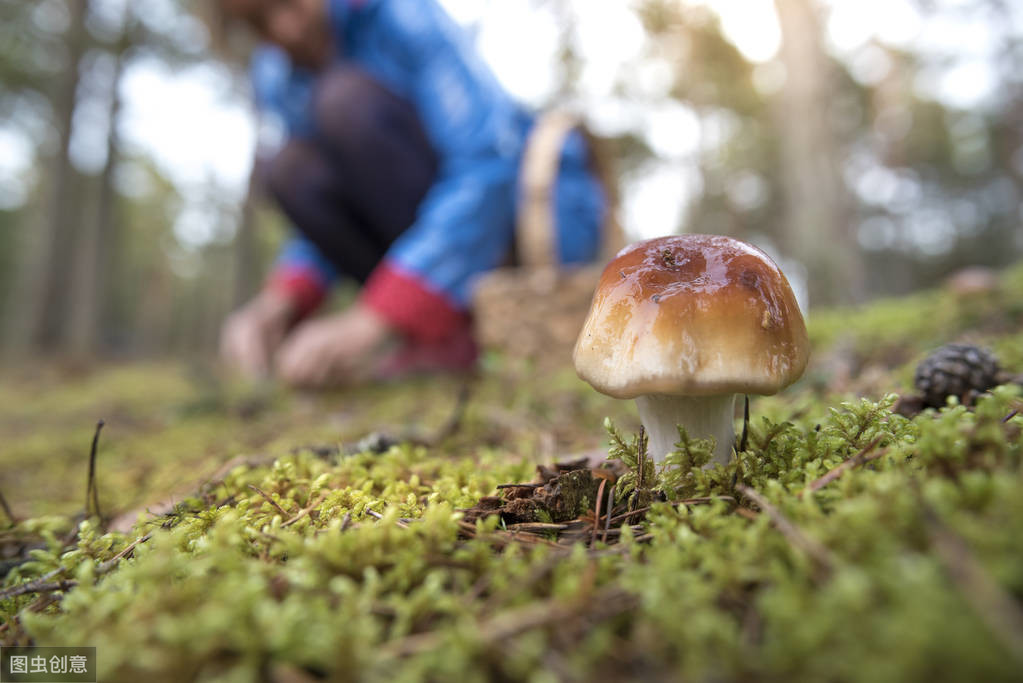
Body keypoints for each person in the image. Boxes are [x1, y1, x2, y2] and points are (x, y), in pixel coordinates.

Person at [218, 0, 607, 388]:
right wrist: (283, 297)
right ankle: (433, 331)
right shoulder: (275, 75)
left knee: (344, 102)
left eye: (288, 4)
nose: (285, 30)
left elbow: (488, 163)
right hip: (410, 239)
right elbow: (331, 196)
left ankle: (446, 317)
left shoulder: (402, 14)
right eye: (257, 22)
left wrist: (375, 317)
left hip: (510, 231)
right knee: (287, 168)